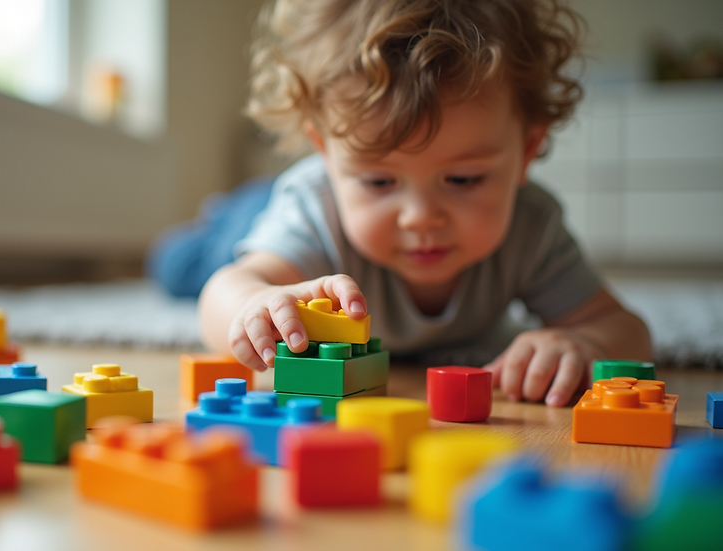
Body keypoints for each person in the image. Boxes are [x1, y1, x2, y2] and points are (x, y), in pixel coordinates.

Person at [198, 0, 652, 407]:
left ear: (527, 152)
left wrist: (585, 344)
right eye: (379, 181)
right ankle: (217, 219)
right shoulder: (314, 210)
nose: (420, 217)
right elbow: (224, 292)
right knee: (191, 259)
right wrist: (256, 303)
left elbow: (625, 329)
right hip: (251, 216)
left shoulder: (532, 224)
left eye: (463, 178)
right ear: (326, 155)